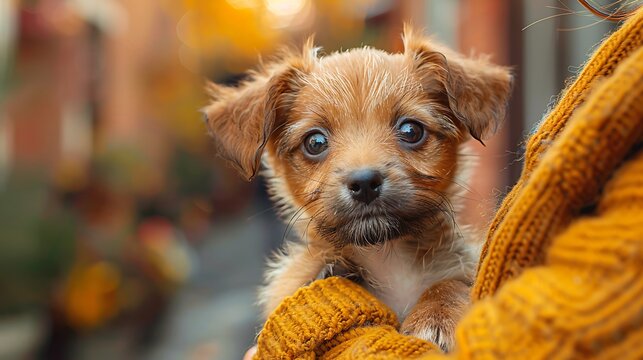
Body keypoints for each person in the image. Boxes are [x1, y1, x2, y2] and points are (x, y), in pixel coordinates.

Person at [247, 4, 643, 359]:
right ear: (277, 160)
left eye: (410, 132)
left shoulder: (480, 275)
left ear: (456, 132)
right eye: (316, 144)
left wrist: (451, 295)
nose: (363, 170)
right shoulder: (296, 295)